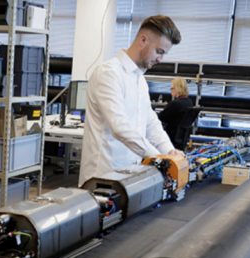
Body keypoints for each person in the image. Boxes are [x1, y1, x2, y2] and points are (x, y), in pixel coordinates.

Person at [79, 15, 186, 187]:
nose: (160, 59)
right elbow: (120, 127)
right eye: (159, 52)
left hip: (129, 177)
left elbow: (151, 123)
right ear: (143, 40)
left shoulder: (140, 80)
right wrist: (158, 157)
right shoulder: (108, 74)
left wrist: (169, 151)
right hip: (102, 178)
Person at [158, 77, 194, 147]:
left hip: (171, 137)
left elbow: (160, 118)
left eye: (171, 89)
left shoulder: (175, 103)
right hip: (181, 137)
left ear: (177, 89)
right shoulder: (189, 102)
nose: (170, 91)